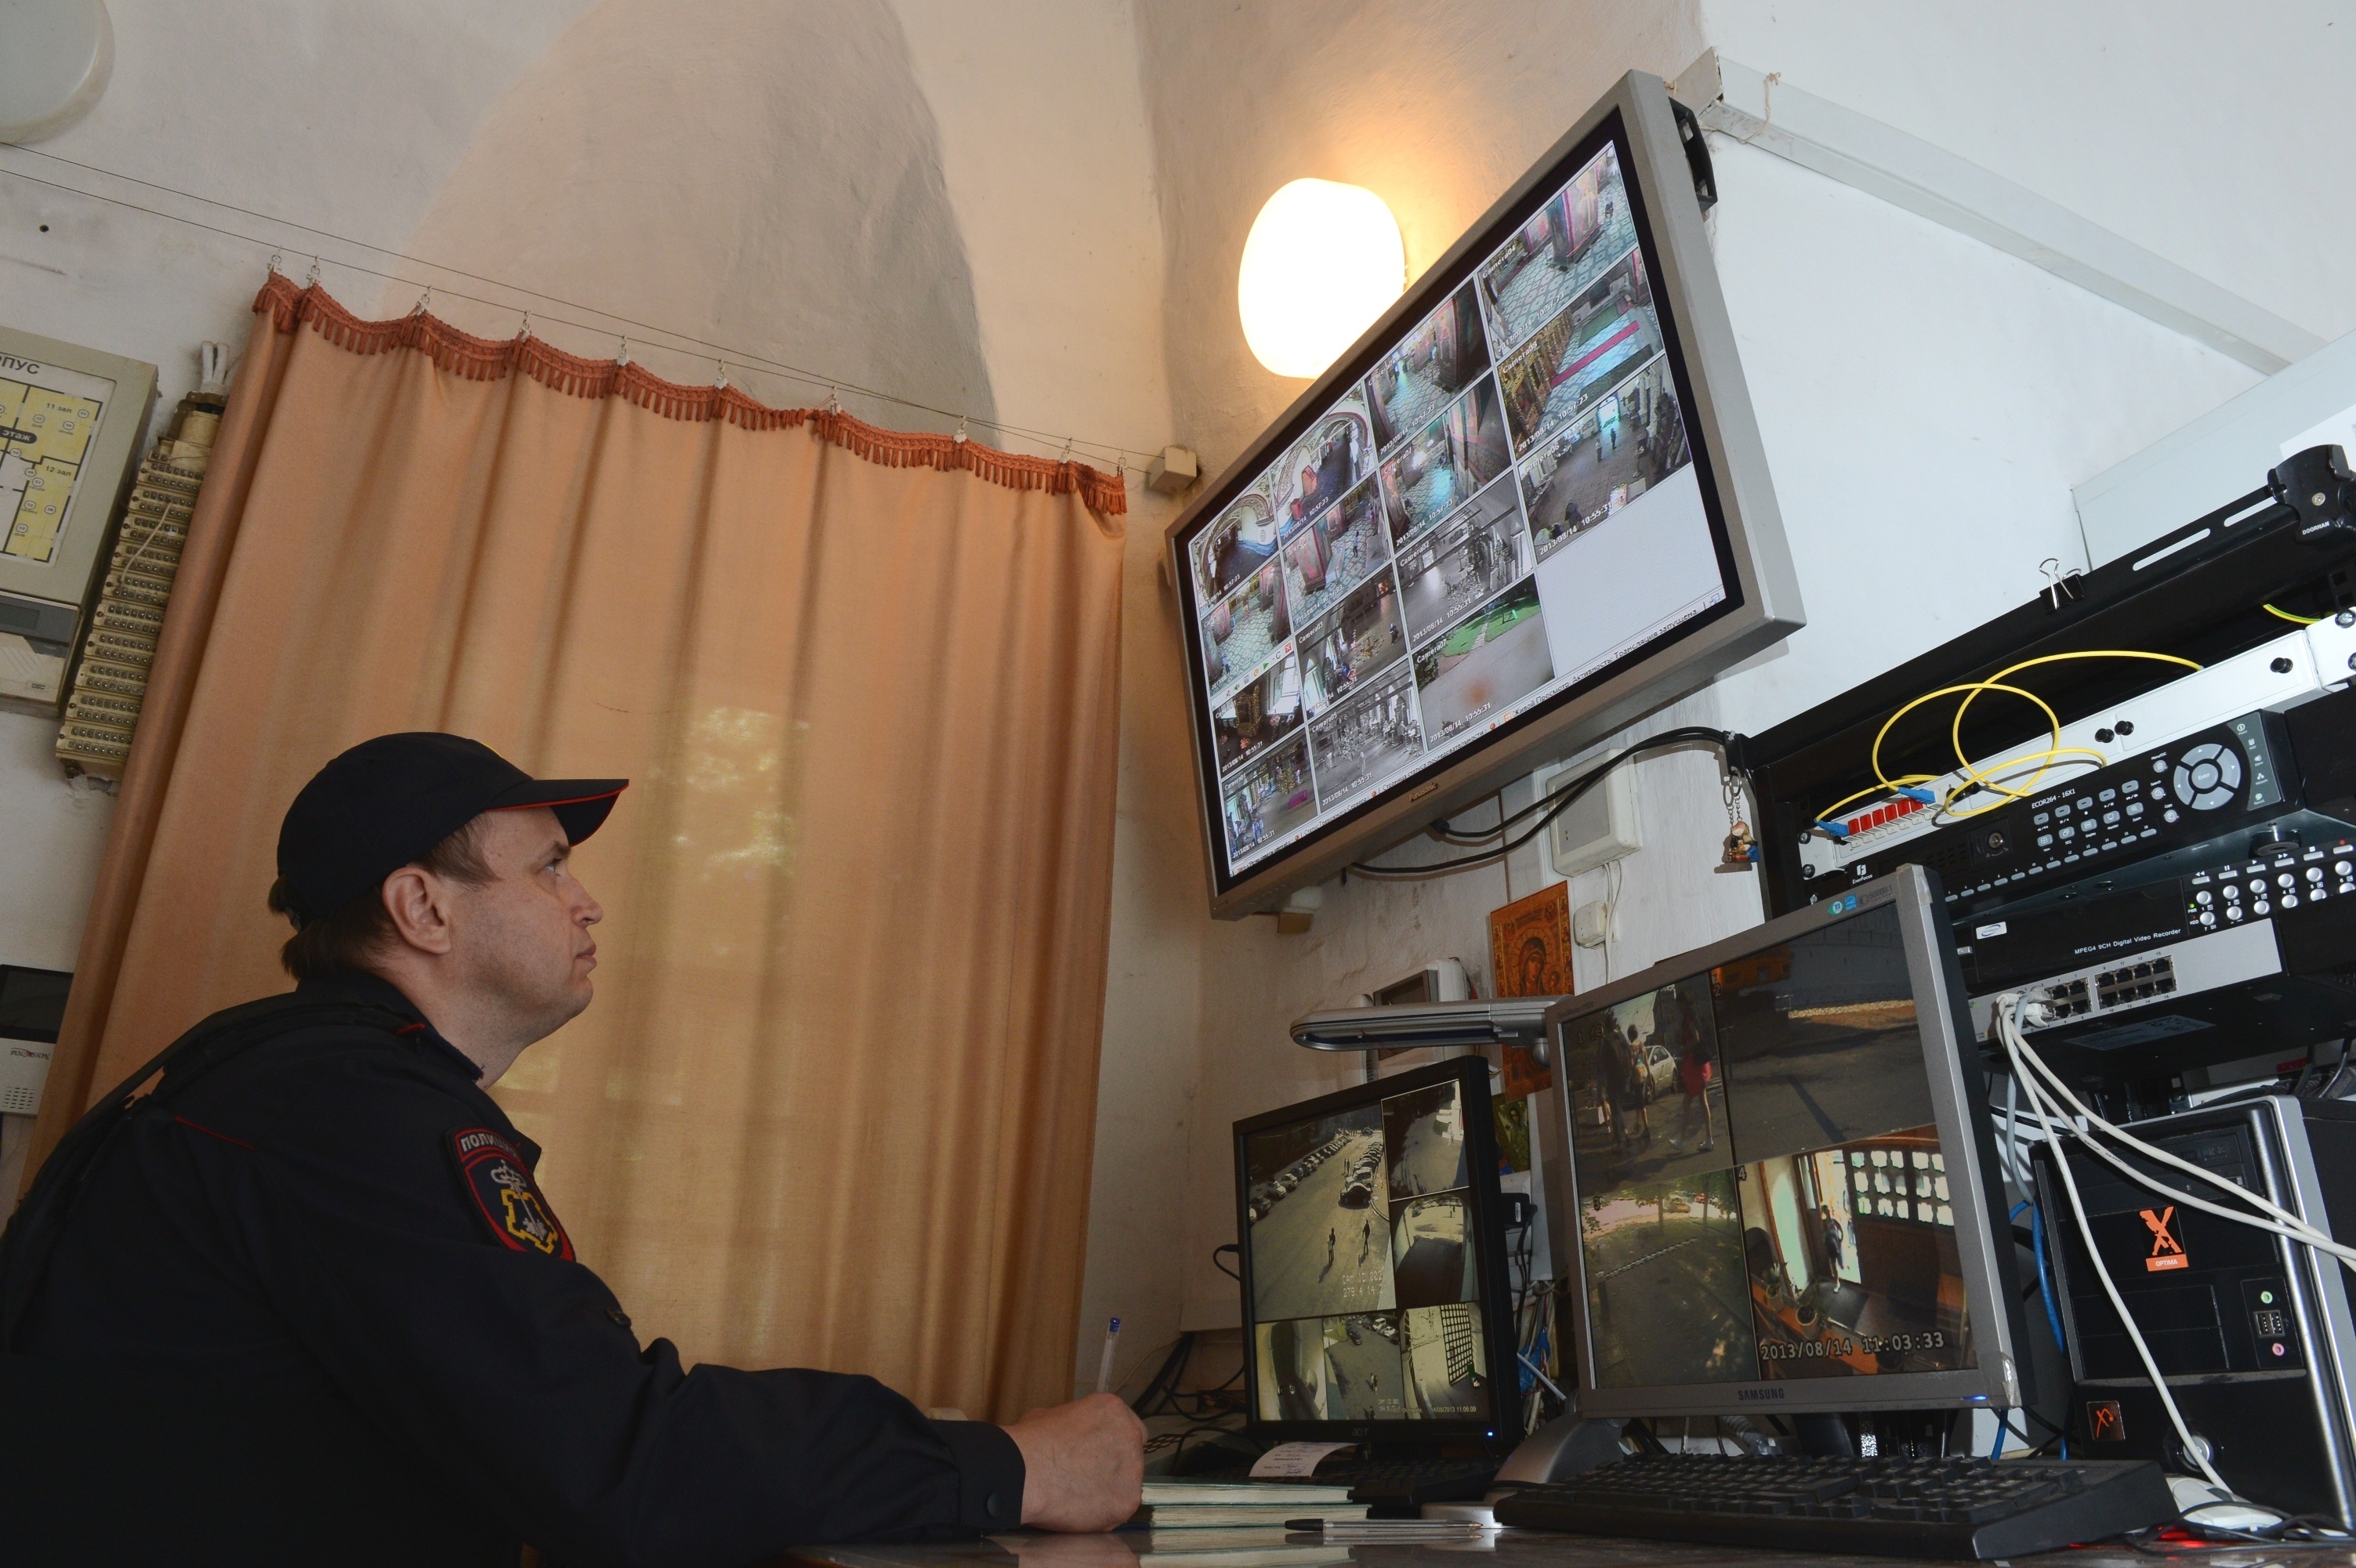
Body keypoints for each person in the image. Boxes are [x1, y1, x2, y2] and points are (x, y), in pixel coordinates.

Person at [0, 733, 1142, 1566]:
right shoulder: (350, 1116)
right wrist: (1008, 1464)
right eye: (546, 866)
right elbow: (614, 1459)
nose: (586, 901)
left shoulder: (291, 1083)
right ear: (422, 908)